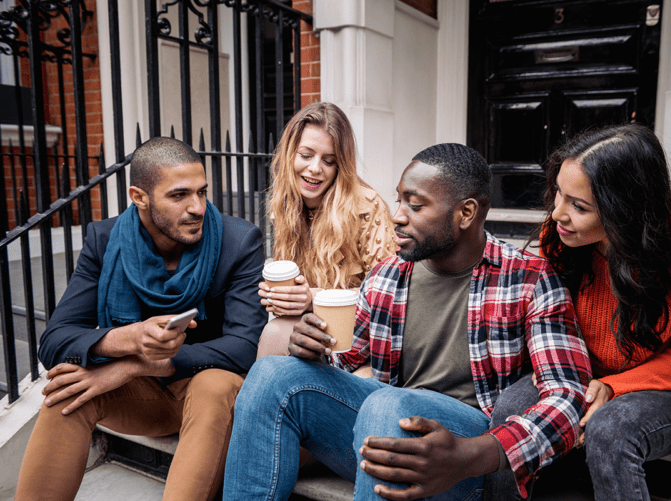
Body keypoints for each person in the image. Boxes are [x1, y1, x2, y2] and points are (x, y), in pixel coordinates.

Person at [223, 143, 592, 500]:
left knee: (390, 406)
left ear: (466, 213)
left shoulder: (530, 280)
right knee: (273, 373)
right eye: (399, 200)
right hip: (385, 440)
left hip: (463, 458)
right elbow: (348, 361)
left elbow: (567, 396)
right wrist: (315, 351)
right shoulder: (387, 276)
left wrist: (475, 454)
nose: (397, 215)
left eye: (415, 206)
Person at [15, 137, 267, 501]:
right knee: (67, 391)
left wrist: (136, 365)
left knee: (214, 385)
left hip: (211, 400)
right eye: (179, 195)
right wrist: (129, 338)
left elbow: (243, 348)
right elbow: (55, 340)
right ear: (139, 197)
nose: (197, 207)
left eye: (202, 192)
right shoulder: (104, 240)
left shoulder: (238, 241)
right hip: (147, 401)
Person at [535, 124, 671, 500]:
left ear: (625, 207)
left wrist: (615, 387)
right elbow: (547, 324)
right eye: (559, 192)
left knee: (611, 429)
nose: (557, 213)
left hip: (669, 387)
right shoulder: (561, 237)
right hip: (580, 371)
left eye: (579, 206)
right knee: (510, 404)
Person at [257, 101, 395, 357]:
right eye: (306, 155)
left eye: (328, 160)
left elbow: (388, 293)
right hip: (309, 329)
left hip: (360, 335)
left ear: (340, 166)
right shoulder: (285, 205)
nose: (315, 168)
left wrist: (313, 297)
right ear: (290, 154)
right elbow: (294, 295)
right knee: (273, 332)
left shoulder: (366, 205)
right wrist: (283, 297)